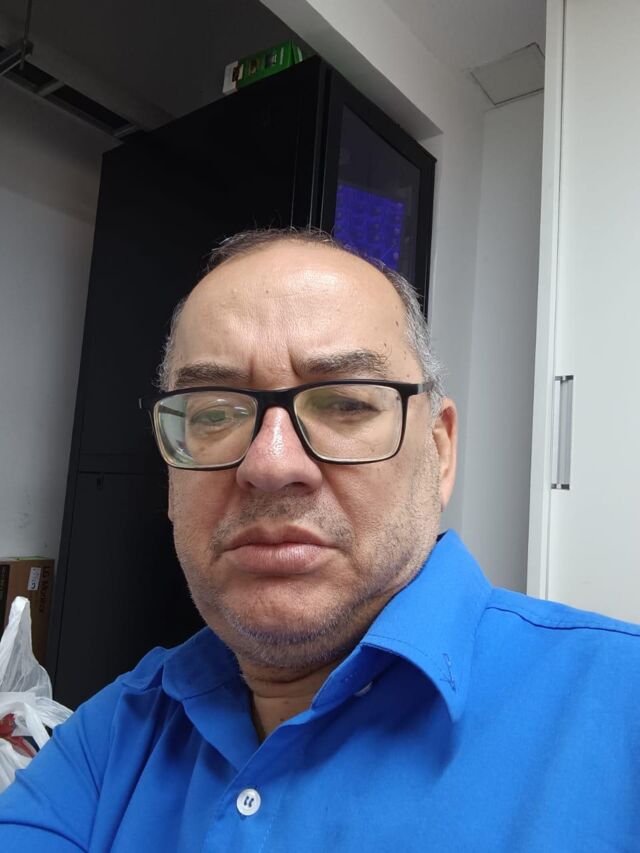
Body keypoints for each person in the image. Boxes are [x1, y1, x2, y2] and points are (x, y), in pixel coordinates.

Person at [0, 228, 638, 851]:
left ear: (439, 451)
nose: (271, 464)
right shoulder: (115, 733)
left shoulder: (619, 706)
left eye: (346, 404)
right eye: (214, 412)